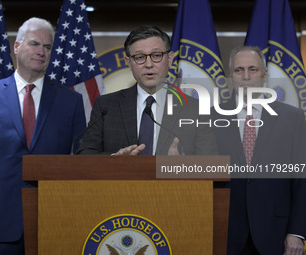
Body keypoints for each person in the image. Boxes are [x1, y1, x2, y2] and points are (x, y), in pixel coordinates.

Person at [0, 17, 86, 254]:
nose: (41, 52)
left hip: (54, 219)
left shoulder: (71, 101)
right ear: (17, 47)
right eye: (34, 44)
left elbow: (81, 160)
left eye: (47, 47)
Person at [212, 45, 306, 255]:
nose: (246, 76)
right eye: (239, 70)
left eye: (253, 69)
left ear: (264, 75)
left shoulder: (292, 118)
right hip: (224, 232)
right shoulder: (210, 118)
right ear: (230, 76)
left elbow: (302, 179)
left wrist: (297, 232)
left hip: (277, 232)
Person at [78, 25, 217, 155]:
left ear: (169, 59)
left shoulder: (196, 110)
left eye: (156, 56)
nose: (149, 64)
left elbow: (212, 165)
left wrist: (182, 165)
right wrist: (115, 161)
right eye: (139, 57)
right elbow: (85, 155)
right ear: (129, 63)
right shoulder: (106, 106)